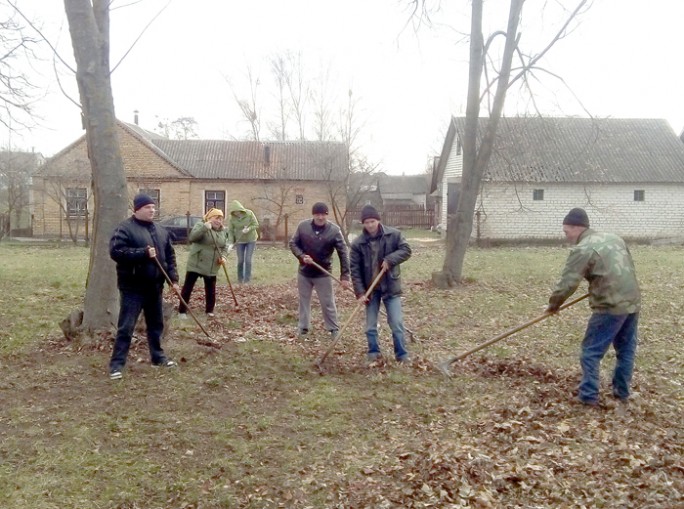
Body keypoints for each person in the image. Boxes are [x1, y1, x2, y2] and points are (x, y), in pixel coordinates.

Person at [546, 207, 641, 406]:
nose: (566, 237)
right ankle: (621, 393)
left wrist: (553, 305)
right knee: (626, 350)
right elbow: (625, 267)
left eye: (567, 232)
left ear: (577, 227)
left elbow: (568, 283)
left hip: (610, 305)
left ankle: (588, 397)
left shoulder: (583, 249)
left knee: (591, 351)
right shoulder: (614, 238)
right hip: (632, 301)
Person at [108, 193, 180, 380]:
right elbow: (116, 251)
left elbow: (170, 257)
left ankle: (158, 357)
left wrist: (174, 280)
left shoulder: (161, 230)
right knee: (126, 326)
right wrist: (142, 253)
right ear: (137, 209)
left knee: (156, 325)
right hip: (133, 287)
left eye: (153, 207)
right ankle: (116, 364)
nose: (152, 210)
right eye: (148, 207)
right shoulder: (125, 228)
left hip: (155, 287)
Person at [350, 205, 412, 364]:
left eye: (372, 221)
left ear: (378, 220)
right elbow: (355, 270)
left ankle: (402, 355)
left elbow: (406, 250)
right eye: (366, 222)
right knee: (370, 325)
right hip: (371, 290)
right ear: (362, 223)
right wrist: (360, 292)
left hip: (391, 287)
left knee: (396, 323)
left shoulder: (394, 235)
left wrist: (390, 260)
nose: (370, 225)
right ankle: (373, 352)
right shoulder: (358, 244)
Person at [289, 202, 351, 338]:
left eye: (323, 214)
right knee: (304, 300)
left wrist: (345, 276)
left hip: (323, 273)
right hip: (304, 272)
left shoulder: (334, 231)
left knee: (327, 301)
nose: (320, 217)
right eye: (318, 214)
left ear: (326, 215)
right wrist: (301, 256)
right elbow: (293, 243)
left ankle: (333, 329)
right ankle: (303, 328)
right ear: (313, 215)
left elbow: (343, 253)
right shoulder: (303, 227)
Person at [178, 208, 229, 319]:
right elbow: (192, 237)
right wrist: (204, 228)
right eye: (216, 218)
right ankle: (182, 311)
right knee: (188, 287)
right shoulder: (201, 225)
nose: (218, 221)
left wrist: (224, 256)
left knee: (211, 288)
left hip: (212, 264)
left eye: (221, 219)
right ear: (209, 218)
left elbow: (225, 246)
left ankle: (209, 311)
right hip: (197, 261)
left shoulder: (223, 231)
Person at [226, 200, 259, 283]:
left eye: (237, 212)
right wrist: (230, 243)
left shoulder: (249, 213)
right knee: (240, 260)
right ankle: (240, 279)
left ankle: (247, 280)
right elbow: (230, 231)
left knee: (248, 259)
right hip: (239, 241)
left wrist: (248, 229)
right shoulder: (232, 218)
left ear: (241, 210)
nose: (236, 214)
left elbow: (256, 224)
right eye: (234, 212)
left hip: (251, 239)